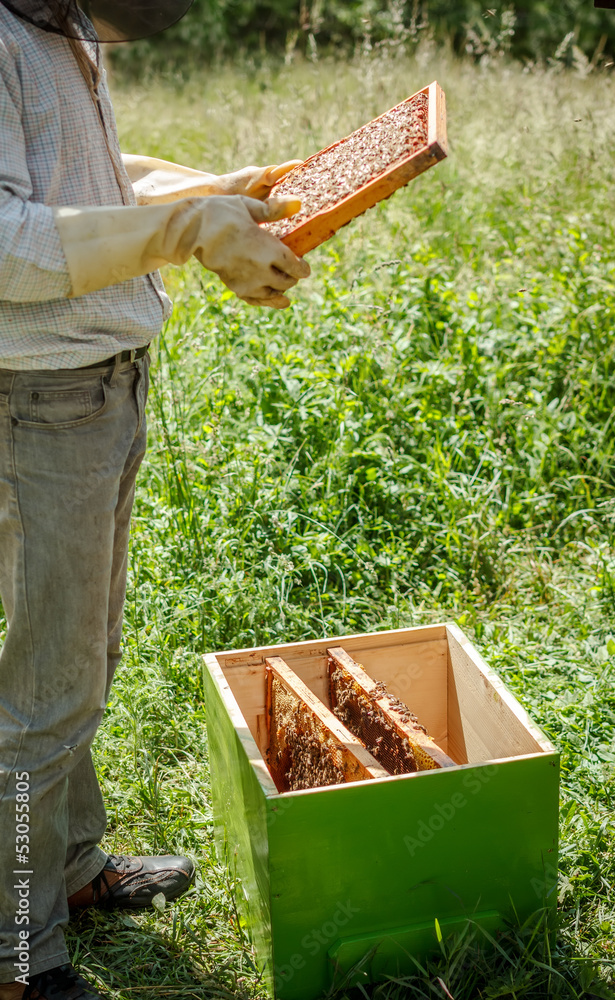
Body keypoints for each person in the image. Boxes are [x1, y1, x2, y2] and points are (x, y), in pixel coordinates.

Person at [0, 2, 310, 998]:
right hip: (36, 399)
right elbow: (7, 240)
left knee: (80, 660)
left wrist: (211, 191)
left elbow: (87, 183)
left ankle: (73, 866)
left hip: (95, 386)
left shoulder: (58, 28)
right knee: (46, 693)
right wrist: (184, 229)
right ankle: (16, 948)